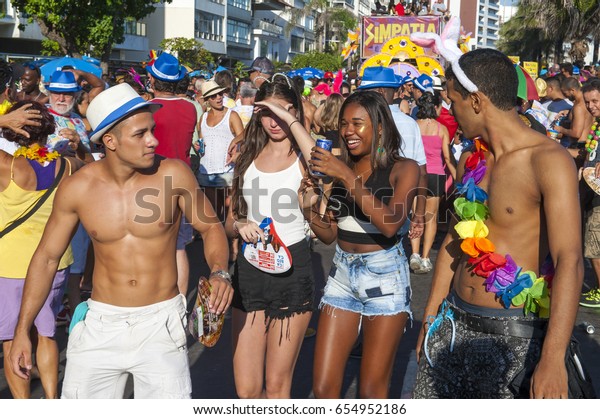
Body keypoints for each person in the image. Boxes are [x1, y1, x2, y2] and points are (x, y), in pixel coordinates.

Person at [9, 83, 233, 399]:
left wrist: (220, 271)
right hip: (100, 324)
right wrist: (22, 331)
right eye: (140, 134)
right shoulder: (79, 187)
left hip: (161, 323)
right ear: (110, 141)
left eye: (152, 130)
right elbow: (46, 257)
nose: (153, 140)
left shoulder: (174, 174)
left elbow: (210, 228)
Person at [413, 48, 585, 398]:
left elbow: (570, 258)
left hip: (515, 338)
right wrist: (430, 316)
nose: (450, 111)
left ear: (476, 101)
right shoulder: (469, 158)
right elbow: (456, 241)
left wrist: (552, 359)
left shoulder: (548, 160)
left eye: (454, 101)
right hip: (453, 323)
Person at [301, 90, 419, 398]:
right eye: (343, 124)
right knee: (323, 387)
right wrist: (308, 208)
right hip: (342, 275)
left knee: (371, 389)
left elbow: (391, 224)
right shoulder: (343, 170)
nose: (347, 131)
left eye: (357, 123)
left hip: (384, 278)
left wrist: (344, 175)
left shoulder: (404, 169)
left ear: (379, 126)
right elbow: (329, 235)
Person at [224, 74, 315, 399]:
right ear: (256, 112)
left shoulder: (305, 157)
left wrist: (292, 119)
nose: (274, 121)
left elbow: (322, 167)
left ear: (295, 111)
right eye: (267, 112)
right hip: (249, 271)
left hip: (293, 272)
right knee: (247, 391)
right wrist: (239, 225)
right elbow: (229, 220)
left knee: (277, 389)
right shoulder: (246, 155)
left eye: (283, 112)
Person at [0, 101, 84, 399]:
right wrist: (77, 146)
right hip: (56, 260)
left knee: (11, 339)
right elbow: (91, 164)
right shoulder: (68, 165)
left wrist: (3, 119)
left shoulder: (7, 167)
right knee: (46, 333)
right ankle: (51, 399)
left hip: (9, 266)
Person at [147, 52, 198, 296]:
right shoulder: (190, 108)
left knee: (151, 247)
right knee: (178, 249)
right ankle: (178, 302)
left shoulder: (148, 110)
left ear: (152, 80)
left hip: (153, 181)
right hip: (184, 181)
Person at [409, 91, 454, 274]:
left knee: (415, 215)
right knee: (431, 218)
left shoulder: (413, 127)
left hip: (417, 173)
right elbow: (447, 158)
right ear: (436, 107)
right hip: (435, 174)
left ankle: (414, 254)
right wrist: (458, 178)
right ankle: (426, 257)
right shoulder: (441, 129)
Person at [197, 80, 244, 222]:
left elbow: (244, 135)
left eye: (220, 94)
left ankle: (231, 243)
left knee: (231, 214)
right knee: (213, 215)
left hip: (227, 170)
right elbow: (202, 143)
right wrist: (198, 147)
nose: (218, 98)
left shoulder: (232, 115)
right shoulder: (203, 117)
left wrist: (235, 141)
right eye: (213, 96)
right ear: (206, 100)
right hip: (207, 172)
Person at [579, 79, 600, 308]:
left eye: (595, 100)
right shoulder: (597, 125)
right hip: (592, 191)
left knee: (594, 248)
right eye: (587, 102)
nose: (591, 106)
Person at [556, 77, 594, 152]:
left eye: (565, 93)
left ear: (572, 90)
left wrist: (560, 129)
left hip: (579, 146)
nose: (564, 96)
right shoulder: (585, 101)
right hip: (586, 142)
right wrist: (569, 111)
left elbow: (576, 133)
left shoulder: (578, 106)